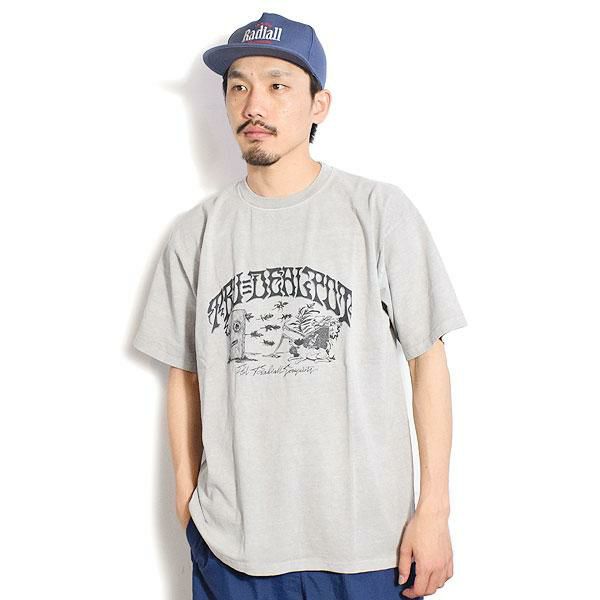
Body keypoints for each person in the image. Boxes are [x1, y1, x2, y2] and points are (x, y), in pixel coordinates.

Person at [132, 11, 467, 600]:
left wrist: (434, 510)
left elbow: (427, 359)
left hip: (369, 546)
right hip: (234, 549)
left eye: (277, 85)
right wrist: (187, 506)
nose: (254, 104)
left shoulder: (378, 211)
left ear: (319, 105)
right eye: (239, 87)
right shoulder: (196, 234)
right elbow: (183, 376)